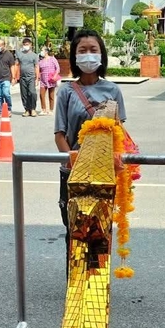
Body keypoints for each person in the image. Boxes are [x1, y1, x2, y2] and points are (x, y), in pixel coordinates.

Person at [54, 29, 127, 229]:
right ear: (75, 56)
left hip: (103, 174)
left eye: (93, 49)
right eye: (82, 50)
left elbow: (119, 134)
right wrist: (74, 164)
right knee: (75, 234)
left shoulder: (113, 90)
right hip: (73, 173)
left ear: (101, 55)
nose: (88, 54)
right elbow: (60, 135)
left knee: (101, 234)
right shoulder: (66, 91)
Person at [16, 37, 40, 117]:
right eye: (24, 44)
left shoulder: (34, 55)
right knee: (24, 94)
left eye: (27, 44)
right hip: (22, 77)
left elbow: (36, 66)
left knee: (32, 92)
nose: (26, 46)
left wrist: (37, 78)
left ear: (30, 45)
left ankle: (33, 109)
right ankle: (26, 109)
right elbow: (17, 65)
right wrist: (16, 76)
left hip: (31, 77)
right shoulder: (19, 54)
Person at [0, 38, 16, 114]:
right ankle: (1, 111)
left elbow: (12, 66)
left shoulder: (9, 54)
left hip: (6, 78)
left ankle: (9, 109)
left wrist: (13, 78)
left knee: (6, 93)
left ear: (4, 46)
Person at [38, 46, 61, 116]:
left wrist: (55, 75)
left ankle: (51, 109)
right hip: (43, 80)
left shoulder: (52, 59)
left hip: (51, 79)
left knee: (51, 95)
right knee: (41, 94)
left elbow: (58, 68)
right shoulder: (40, 61)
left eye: (42, 50)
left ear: (46, 51)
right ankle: (43, 109)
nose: (41, 52)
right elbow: (39, 70)